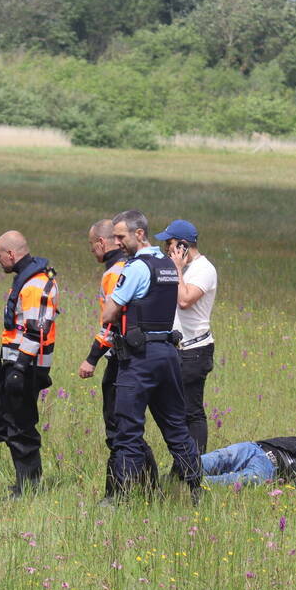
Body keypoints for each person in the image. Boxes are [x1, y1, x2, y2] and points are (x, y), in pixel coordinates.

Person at [100, 210, 202, 503]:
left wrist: (113, 295)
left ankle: (119, 498)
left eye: (121, 236)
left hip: (139, 358)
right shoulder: (168, 265)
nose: (117, 242)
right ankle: (196, 490)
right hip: (168, 354)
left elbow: (109, 313)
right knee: (176, 427)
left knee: (127, 431)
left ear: (139, 234)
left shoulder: (135, 268)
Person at [77, 218, 158, 498]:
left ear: (101, 243)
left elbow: (111, 322)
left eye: (92, 245)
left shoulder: (114, 273)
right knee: (132, 427)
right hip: (145, 355)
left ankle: (116, 494)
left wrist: (91, 358)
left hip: (121, 359)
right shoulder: (135, 266)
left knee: (118, 429)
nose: (92, 252)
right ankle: (152, 488)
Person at [0, 231, 59, 498]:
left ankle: (29, 487)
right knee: (13, 423)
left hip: (28, 367)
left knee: (22, 426)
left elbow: (36, 331)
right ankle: (24, 482)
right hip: (20, 364)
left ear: (11, 254)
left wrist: (19, 369)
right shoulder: (27, 281)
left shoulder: (34, 285)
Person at [156, 219, 218, 453]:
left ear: (182, 246)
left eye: (169, 245)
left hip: (194, 350)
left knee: (191, 412)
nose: (166, 250)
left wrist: (177, 269)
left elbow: (184, 300)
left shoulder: (204, 269)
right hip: (176, 347)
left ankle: (195, 464)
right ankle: (182, 462)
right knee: (174, 411)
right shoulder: (185, 268)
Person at [201, 437, 296, 486]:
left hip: (270, 466)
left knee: (238, 480)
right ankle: (186, 474)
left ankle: (192, 484)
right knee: (210, 460)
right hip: (255, 447)